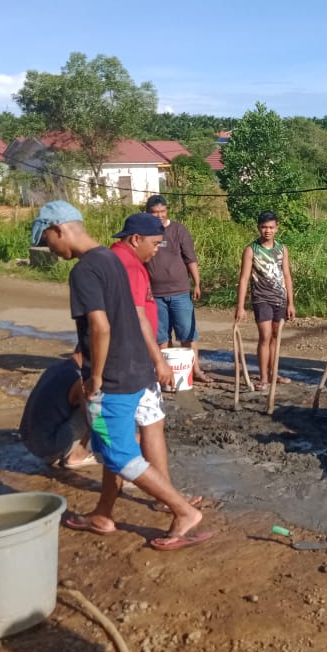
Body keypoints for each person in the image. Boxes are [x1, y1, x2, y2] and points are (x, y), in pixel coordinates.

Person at [32, 201, 210, 550]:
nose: (51, 250)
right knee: (108, 442)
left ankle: (183, 510)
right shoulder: (112, 260)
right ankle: (103, 512)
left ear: (59, 229)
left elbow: (99, 328)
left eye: (48, 241)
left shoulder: (84, 271)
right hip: (134, 369)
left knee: (116, 451)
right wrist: (154, 360)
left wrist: (94, 377)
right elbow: (138, 316)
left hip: (111, 377)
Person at [111, 212, 201, 512]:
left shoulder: (126, 261)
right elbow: (137, 317)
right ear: (135, 239)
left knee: (150, 422)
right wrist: (159, 360)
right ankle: (165, 500)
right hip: (131, 362)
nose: (156, 251)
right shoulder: (128, 266)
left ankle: (161, 495)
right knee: (118, 440)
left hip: (134, 361)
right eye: (154, 244)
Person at [144, 194, 213, 383]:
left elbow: (190, 258)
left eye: (162, 211)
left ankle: (195, 370)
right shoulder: (144, 233)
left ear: (167, 210)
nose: (158, 215)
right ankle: (166, 372)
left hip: (180, 291)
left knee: (187, 333)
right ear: (147, 213)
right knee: (161, 336)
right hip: (155, 294)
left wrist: (197, 283)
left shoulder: (178, 230)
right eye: (154, 212)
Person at [235, 211, 295, 390]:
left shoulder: (282, 249)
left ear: (276, 228)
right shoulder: (251, 250)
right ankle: (263, 378)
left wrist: (291, 302)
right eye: (264, 227)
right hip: (261, 298)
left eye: (271, 227)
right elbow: (244, 279)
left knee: (276, 337)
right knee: (265, 336)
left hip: (280, 298)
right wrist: (240, 306)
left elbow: (287, 275)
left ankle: (273, 373)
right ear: (258, 228)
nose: (267, 230)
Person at [19, 349, 95, 468]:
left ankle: (55, 453)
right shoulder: (79, 378)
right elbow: (92, 420)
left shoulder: (55, 367)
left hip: (27, 439)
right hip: (47, 445)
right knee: (95, 406)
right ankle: (77, 455)